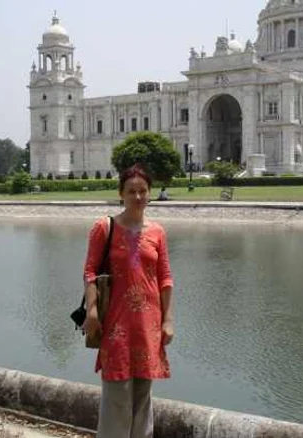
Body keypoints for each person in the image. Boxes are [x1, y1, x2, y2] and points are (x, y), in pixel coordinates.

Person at [83, 164, 174, 438]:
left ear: (149, 194)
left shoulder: (157, 232)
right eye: (131, 191)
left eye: (142, 191)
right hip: (116, 323)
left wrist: (168, 320)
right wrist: (92, 311)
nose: (137, 197)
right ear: (121, 193)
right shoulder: (105, 227)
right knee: (117, 396)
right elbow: (90, 271)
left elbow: (165, 278)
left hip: (148, 324)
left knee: (143, 397)